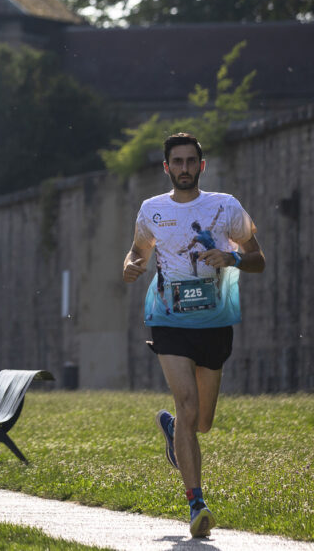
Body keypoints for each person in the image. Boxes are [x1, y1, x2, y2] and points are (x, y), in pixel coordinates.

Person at [122, 133, 265, 538]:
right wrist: (130, 266)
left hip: (215, 322)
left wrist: (232, 257)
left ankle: (173, 432)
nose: (184, 168)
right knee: (186, 406)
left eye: (190, 161)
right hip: (168, 319)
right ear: (166, 167)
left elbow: (258, 259)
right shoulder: (152, 209)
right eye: (177, 162)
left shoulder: (226, 206)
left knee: (202, 422)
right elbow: (137, 251)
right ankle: (196, 503)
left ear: (201, 166)